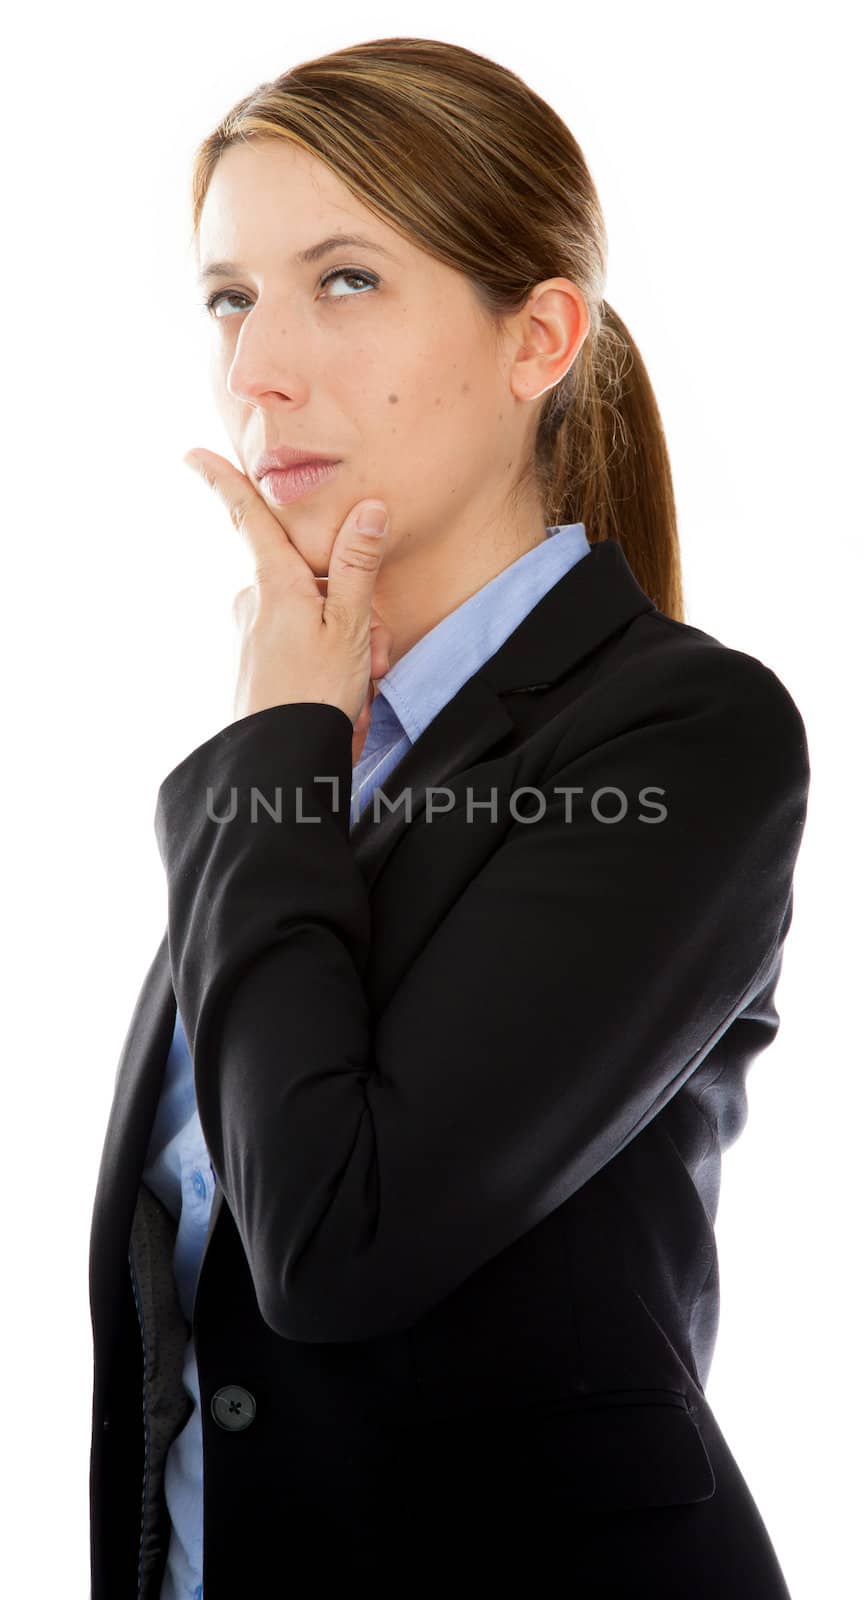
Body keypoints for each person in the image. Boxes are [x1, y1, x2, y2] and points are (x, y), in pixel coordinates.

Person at [88, 36, 810, 1599]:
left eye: (343, 280)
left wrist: (278, 739)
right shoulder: (311, 755)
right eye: (230, 297)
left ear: (538, 334)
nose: (256, 368)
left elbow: (333, 1244)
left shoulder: (688, 731)